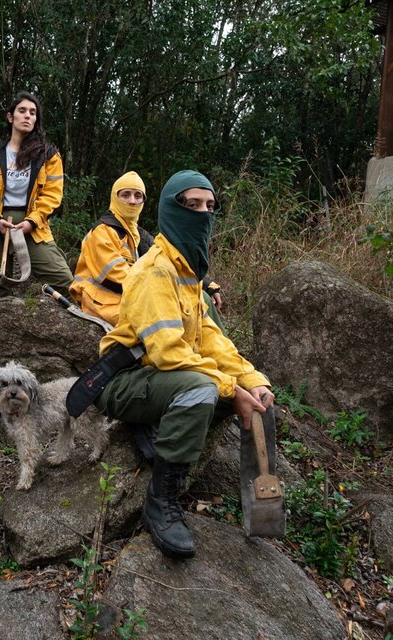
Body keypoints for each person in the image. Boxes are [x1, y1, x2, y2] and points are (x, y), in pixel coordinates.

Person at [93, 170, 274, 559]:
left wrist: (250, 380)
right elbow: (168, 354)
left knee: (235, 390)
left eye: (209, 206)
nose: (202, 213)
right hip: (126, 380)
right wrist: (231, 389)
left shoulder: (188, 272)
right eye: (192, 205)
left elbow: (211, 339)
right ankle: (161, 499)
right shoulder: (155, 271)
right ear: (171, 211)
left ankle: (156, 425)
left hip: (160, 380)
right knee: (205, 389)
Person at [70, 171, 225, 328]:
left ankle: (219, 348)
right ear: (114, 198)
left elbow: (173, 260)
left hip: (129, 298)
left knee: (201, 299)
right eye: (125, 195)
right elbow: (116, 276)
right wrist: (167, 289)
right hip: (103, 301)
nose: (132, 201)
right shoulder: (102, 231)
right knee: (180, 312)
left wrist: (207, 284)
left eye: (138, 196)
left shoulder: (139, 235)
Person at [0, 91, 74, 300]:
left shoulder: (48, 154)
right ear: (10, 117)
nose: (28, 116)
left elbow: (52, 196)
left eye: (33, 113)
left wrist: (32, 222)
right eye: (22, 111)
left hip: (32, 223)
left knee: (63, 279)